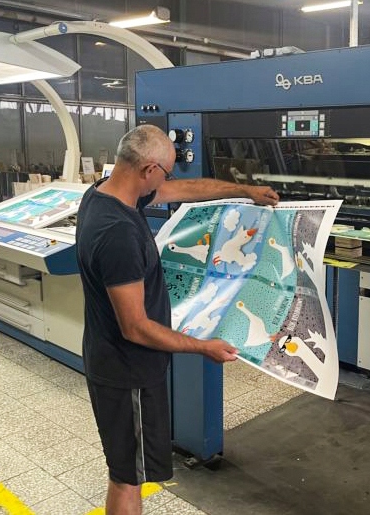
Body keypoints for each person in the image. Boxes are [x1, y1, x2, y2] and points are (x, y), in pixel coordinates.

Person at [75, 124, 279, 515]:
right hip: (127, 373)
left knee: (127, 470)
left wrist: (245, 191)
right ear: (148, 169)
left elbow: (185, 190)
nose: (167, 182)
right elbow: (135, 327)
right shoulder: (117, 234)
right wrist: (203, 347)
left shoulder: (104, 193)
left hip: (116, 362)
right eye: (166, 172)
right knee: (127, 477)